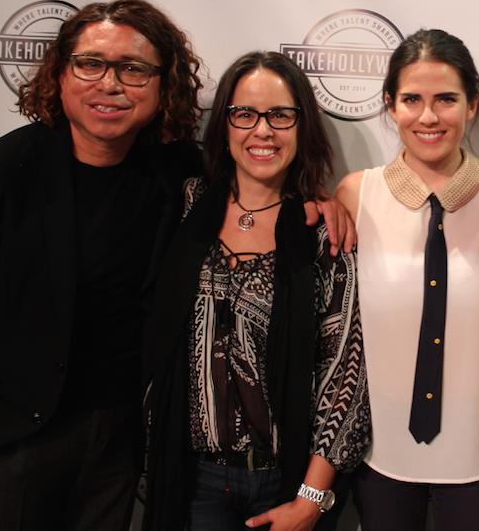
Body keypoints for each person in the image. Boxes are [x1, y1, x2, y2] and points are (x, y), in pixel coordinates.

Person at [0, 0, 205, 531]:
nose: (110, 83)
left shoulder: (176, 171)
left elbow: (256, 190)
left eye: (134, 69)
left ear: (165, 86)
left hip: (117, 437)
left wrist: (317, 203)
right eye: (90, 63)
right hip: (13, 438)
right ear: (61, 74)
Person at [142, 51, 369, 531]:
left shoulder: (321, 233)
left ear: (302, 125)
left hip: (282, 486)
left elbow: (344, 379)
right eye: (244, 113)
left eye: (280, 115)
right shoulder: (183, 207)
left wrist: (311, 500)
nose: (262, 130)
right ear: (224, 124)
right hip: (191, 481)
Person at [335, 29, 479, 531]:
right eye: (412, 100)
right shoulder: (354, 195)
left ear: (472, 105)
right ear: (390, 104)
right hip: (378, 450)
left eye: (446, 99)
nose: (428, 117)